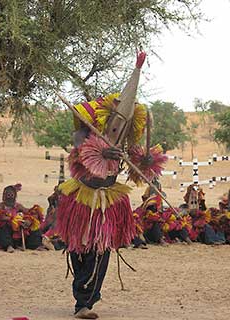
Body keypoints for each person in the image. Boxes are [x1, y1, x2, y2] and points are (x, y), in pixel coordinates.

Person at [56, 52, 167, 319]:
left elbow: (138, 166)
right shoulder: (84, 132)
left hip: (108, 201)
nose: (119, 127)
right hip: (82, 199)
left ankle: (85, 302)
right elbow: (80, 158)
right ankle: (81, 293)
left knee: (101, 248)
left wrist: (148, 160)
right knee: (79, 247)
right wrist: (101, 152)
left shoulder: (126, 139)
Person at [0, 184, 45, 252]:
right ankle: (8, 246)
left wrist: (28, 220)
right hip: (5, 232)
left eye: (11, 195)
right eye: (8, 195)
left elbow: (29, 212)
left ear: (15, 196)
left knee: (34, 225)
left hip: (17, 230)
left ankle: (35, 245)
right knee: (2, 225)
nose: (10, 197)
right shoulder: (0, 206)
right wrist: (11, 220)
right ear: (4, 196)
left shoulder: (18, 206)